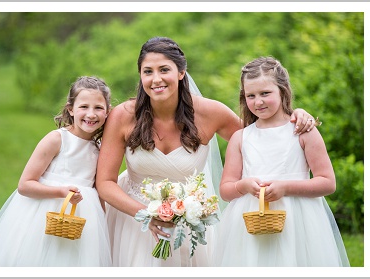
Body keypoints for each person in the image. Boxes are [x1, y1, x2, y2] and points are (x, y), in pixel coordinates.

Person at [96, 37, 319, 267]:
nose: (156, 79)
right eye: (147, 71)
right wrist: (146, 214)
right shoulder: (123, 116)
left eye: (164, 70)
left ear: (181, 72)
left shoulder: (210, 112)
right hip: (132, 221)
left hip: (189, 223)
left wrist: (296, 114)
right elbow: (104, 183)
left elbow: (260, 136)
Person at [214, 57, 349, 266]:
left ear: (282, 91)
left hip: (298, 220)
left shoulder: (303, 131)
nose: (258, 102)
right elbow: (226, 189)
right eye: (251, 95)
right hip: (250, 220)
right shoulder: (241, 138)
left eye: (265, 93)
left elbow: (327, 182)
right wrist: (243, 185)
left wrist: (285, 187)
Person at [0, 76, 113, 266]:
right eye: (84, 107)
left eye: (98, 108)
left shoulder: (100, 147)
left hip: (83, 217)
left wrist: (102, 221)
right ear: (71, 109)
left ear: (108, 112)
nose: (91, 114)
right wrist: (61, 192)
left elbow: (99, 187)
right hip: (43, 214)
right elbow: (25, 185)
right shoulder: (57, 139)